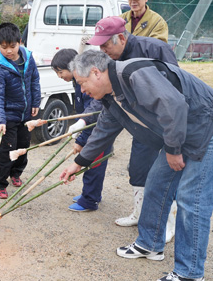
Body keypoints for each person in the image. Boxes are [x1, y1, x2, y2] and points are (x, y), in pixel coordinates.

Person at [60, 50, 213, 281]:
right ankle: (150, 244)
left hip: (205, 126)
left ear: (95, 73)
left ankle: (190, 273)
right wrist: (79, 163)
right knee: (155, 184)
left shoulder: (134, 74)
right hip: (182, 133)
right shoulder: (112, 96)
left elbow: (175, 106)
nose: (82, 90)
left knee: (192, 199)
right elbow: (104, 130)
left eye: (82, 83)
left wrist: (173, 150)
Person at [87, 16, 177, 242]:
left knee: (165, 174)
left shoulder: (155, 48)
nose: (103, 49)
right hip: (140, 125)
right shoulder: (110, 60)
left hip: (166, 124)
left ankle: (169, 222)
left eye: (106, 44)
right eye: (99, 45)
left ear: (120, 37)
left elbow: (175, 88)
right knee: (138, 167)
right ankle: (139, 213)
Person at [51, 49, 111, 211]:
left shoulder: (88, 84)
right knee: (88, 164)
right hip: (90, 129)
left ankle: (89, 201)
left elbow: (92, 112)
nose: (59, 76)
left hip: (98, 132)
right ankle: (91, 195)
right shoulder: (77, 83)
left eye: (60, 72)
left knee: (94, 166)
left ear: (73, 67)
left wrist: (81, 139)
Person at [0, 22, 40, 198]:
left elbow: (34, 80)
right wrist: (0, 120)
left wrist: (36, 101)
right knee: (7, 150)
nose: (8, 51)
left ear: (20, 42)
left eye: (12, 46)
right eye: (3, 47)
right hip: (9, 115)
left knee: (24, 146)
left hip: (26, 114)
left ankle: (16, 173)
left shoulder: (28, 58)